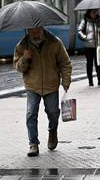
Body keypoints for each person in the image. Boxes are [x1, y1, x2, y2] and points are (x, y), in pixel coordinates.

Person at [13, 27, 72, 157]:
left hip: (51, 85)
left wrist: (66, 83)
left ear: (42, 29)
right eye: (32, 32)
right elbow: (17, 67)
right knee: (31, 114)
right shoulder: (22, 45)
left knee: (53, 113)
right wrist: (24, 58)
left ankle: (52, 131)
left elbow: (65, 63)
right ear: (28, 30)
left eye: (37, 31)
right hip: (32, 85)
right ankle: (33, 144)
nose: (35, 34)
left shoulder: (55, 42)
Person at [77, 9, 100, 86]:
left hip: (98, 46)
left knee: (98, 64)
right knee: (89, 64)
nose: (95, 14)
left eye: (96, 12)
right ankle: (90, 81)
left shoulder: (99, 22)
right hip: (88, 46)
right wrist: (85, 37)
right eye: (93, 12)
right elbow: (79, 31)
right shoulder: (85, 21)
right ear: (89, 13)